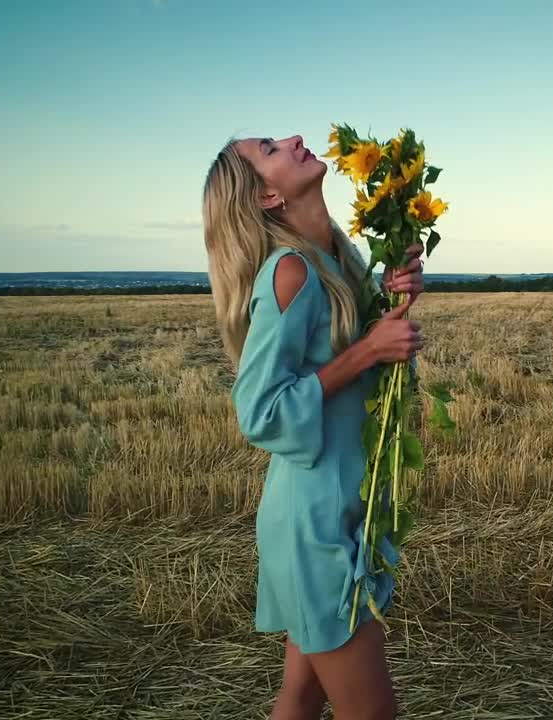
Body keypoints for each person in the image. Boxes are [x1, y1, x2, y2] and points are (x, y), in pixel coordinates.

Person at [202, 133, 425, 720]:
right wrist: (368, 351)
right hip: (314, 525)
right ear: (267, 196)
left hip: (339, 503)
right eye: (272, 147)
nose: (296, 139)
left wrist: (391, 305)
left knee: (300, 697)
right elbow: (260, 411)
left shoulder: (335, 260)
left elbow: (360, 368)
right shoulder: (291, 272)